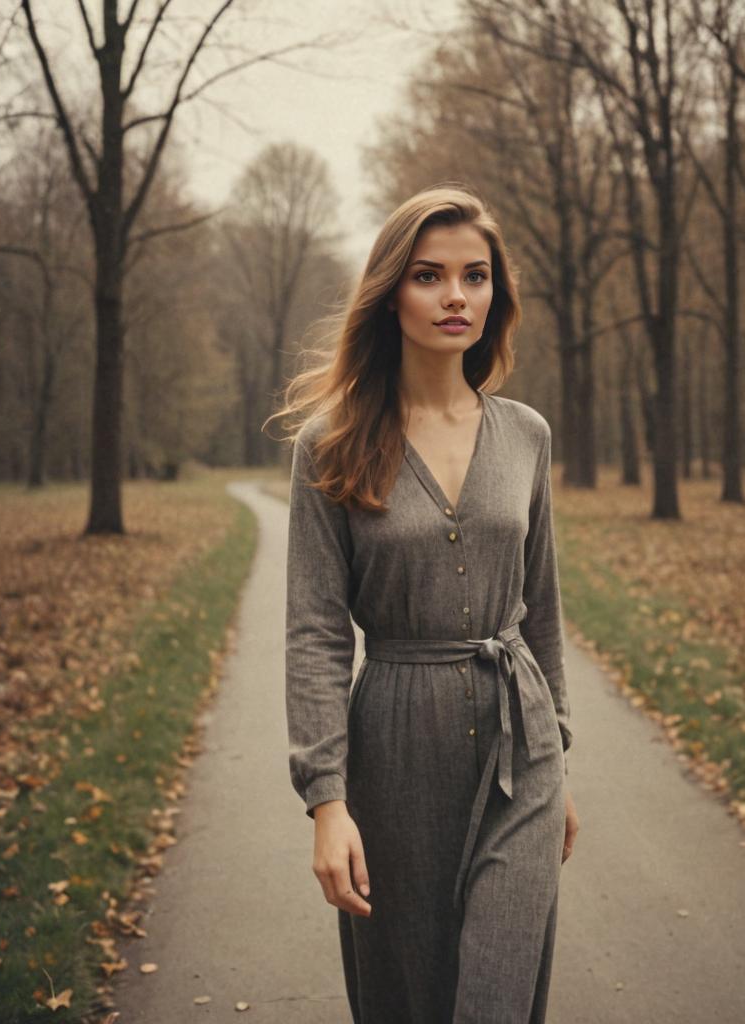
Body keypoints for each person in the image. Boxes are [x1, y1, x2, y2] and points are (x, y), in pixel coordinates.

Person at [274, 183, 579, 1023]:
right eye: (430, 276)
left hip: (524, 752)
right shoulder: (330, 445)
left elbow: (542, 610)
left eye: (475, 276)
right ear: (390, 292)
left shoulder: (527, 436)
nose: (456, 296)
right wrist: (326, 801)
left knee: (497, 997)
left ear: (496, 293)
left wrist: (558, 757)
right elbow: (314, 635)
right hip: (394, 753)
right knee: (408, 995)